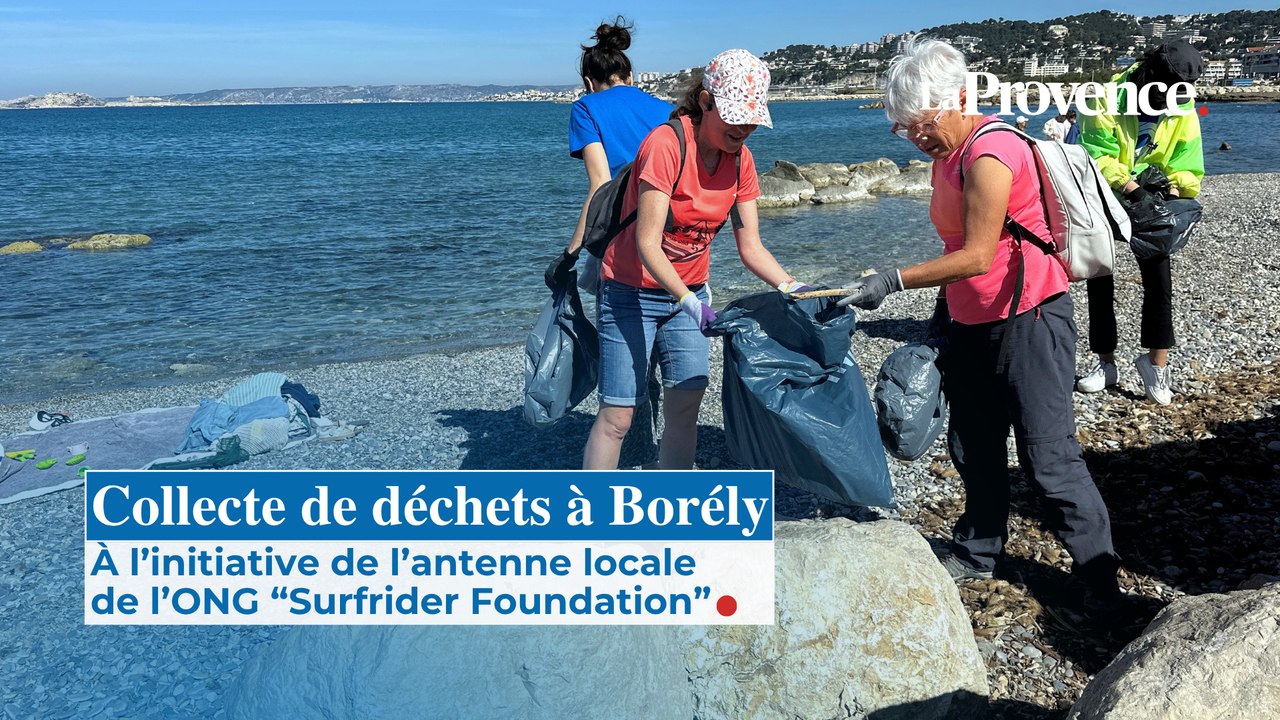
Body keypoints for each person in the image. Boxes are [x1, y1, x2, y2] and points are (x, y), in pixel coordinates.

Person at [838, 38, 1121, 616]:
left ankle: (1099, 577)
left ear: (959, 99)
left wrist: (892, 280)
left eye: (922, 125)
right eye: (904, 130)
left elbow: (977, 256)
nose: (916, 139)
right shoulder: (947, 154)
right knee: (974, 443)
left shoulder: (990, 152)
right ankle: (978, 549)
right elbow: (958, 253)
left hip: (1031, 316)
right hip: (970, 317)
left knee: (1048, 456)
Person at [584, 49, 807, 470]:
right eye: (734, 115)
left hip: (690, 297)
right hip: (630, 292)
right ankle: (592, 519)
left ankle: (673, 507)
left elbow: (752, 248)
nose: (744, 128)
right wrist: (689, 301)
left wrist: (794, 288)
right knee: (618, 416)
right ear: (705, 103)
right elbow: (648, 244)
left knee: (685, 410)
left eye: (751, 118)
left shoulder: (741, 161)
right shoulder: (666, 144)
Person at [543, 18, 672, 467]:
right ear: (631, 76)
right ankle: (648, 443)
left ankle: (627, 439)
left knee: (623, 349)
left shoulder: (586, 108)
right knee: (660, 347)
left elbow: (601, 187)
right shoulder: (666, 109)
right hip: (670, 243)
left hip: (620, 244)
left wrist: (571, 252)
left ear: (588, 80)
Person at [1075, 39, 1204, 405]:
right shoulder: (1104, 97)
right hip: (1107, 194)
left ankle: (1156, 364)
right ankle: (1105, 363)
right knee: (1100, 278)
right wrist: (1131, 186)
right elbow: (1096, 153)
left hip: (1154, 199)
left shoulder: (1183, 105)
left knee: (1159, 282)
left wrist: (1175, 185)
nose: (1166, 100)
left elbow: (1187, 159)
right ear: (1146, 73)